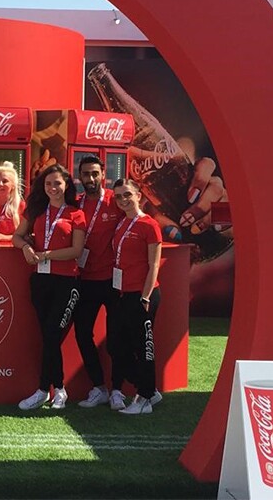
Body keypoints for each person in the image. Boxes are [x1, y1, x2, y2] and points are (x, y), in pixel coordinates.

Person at [12, 164, 85, 410]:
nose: (53, 188)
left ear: (67, 186)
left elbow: (76, 250)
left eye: (57, 183)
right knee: (48, 336)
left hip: (66, 283)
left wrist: (45, 255)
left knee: (52, 334)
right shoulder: (36, 211)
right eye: (48, 184)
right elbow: (17, 236)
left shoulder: (76, 214)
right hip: (40, 282)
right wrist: (25, 248)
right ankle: (53, 391)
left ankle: (49, 389)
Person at [72, 156, 124, 409]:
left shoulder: (117, 201)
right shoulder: (76, 203)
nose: (90, 179)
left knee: (116, 338)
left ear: (103, 174)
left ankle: (118, 390)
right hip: (85, 279)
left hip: (114, 281)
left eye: (94, 173)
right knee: (82, 333)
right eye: (85, 174)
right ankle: (99, 387)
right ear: (79, 176)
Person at [109, 178, 163, 415]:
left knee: (143, 348)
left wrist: (145, 297)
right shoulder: (122, 224)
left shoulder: (149, 225)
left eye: (127, 194)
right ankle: (149, 389)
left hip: (142, 295)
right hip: (123, 293)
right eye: (118, 196)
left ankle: (144, 400)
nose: (123, 200)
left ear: (139, 195)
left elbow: (154, 265)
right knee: (116, 346)